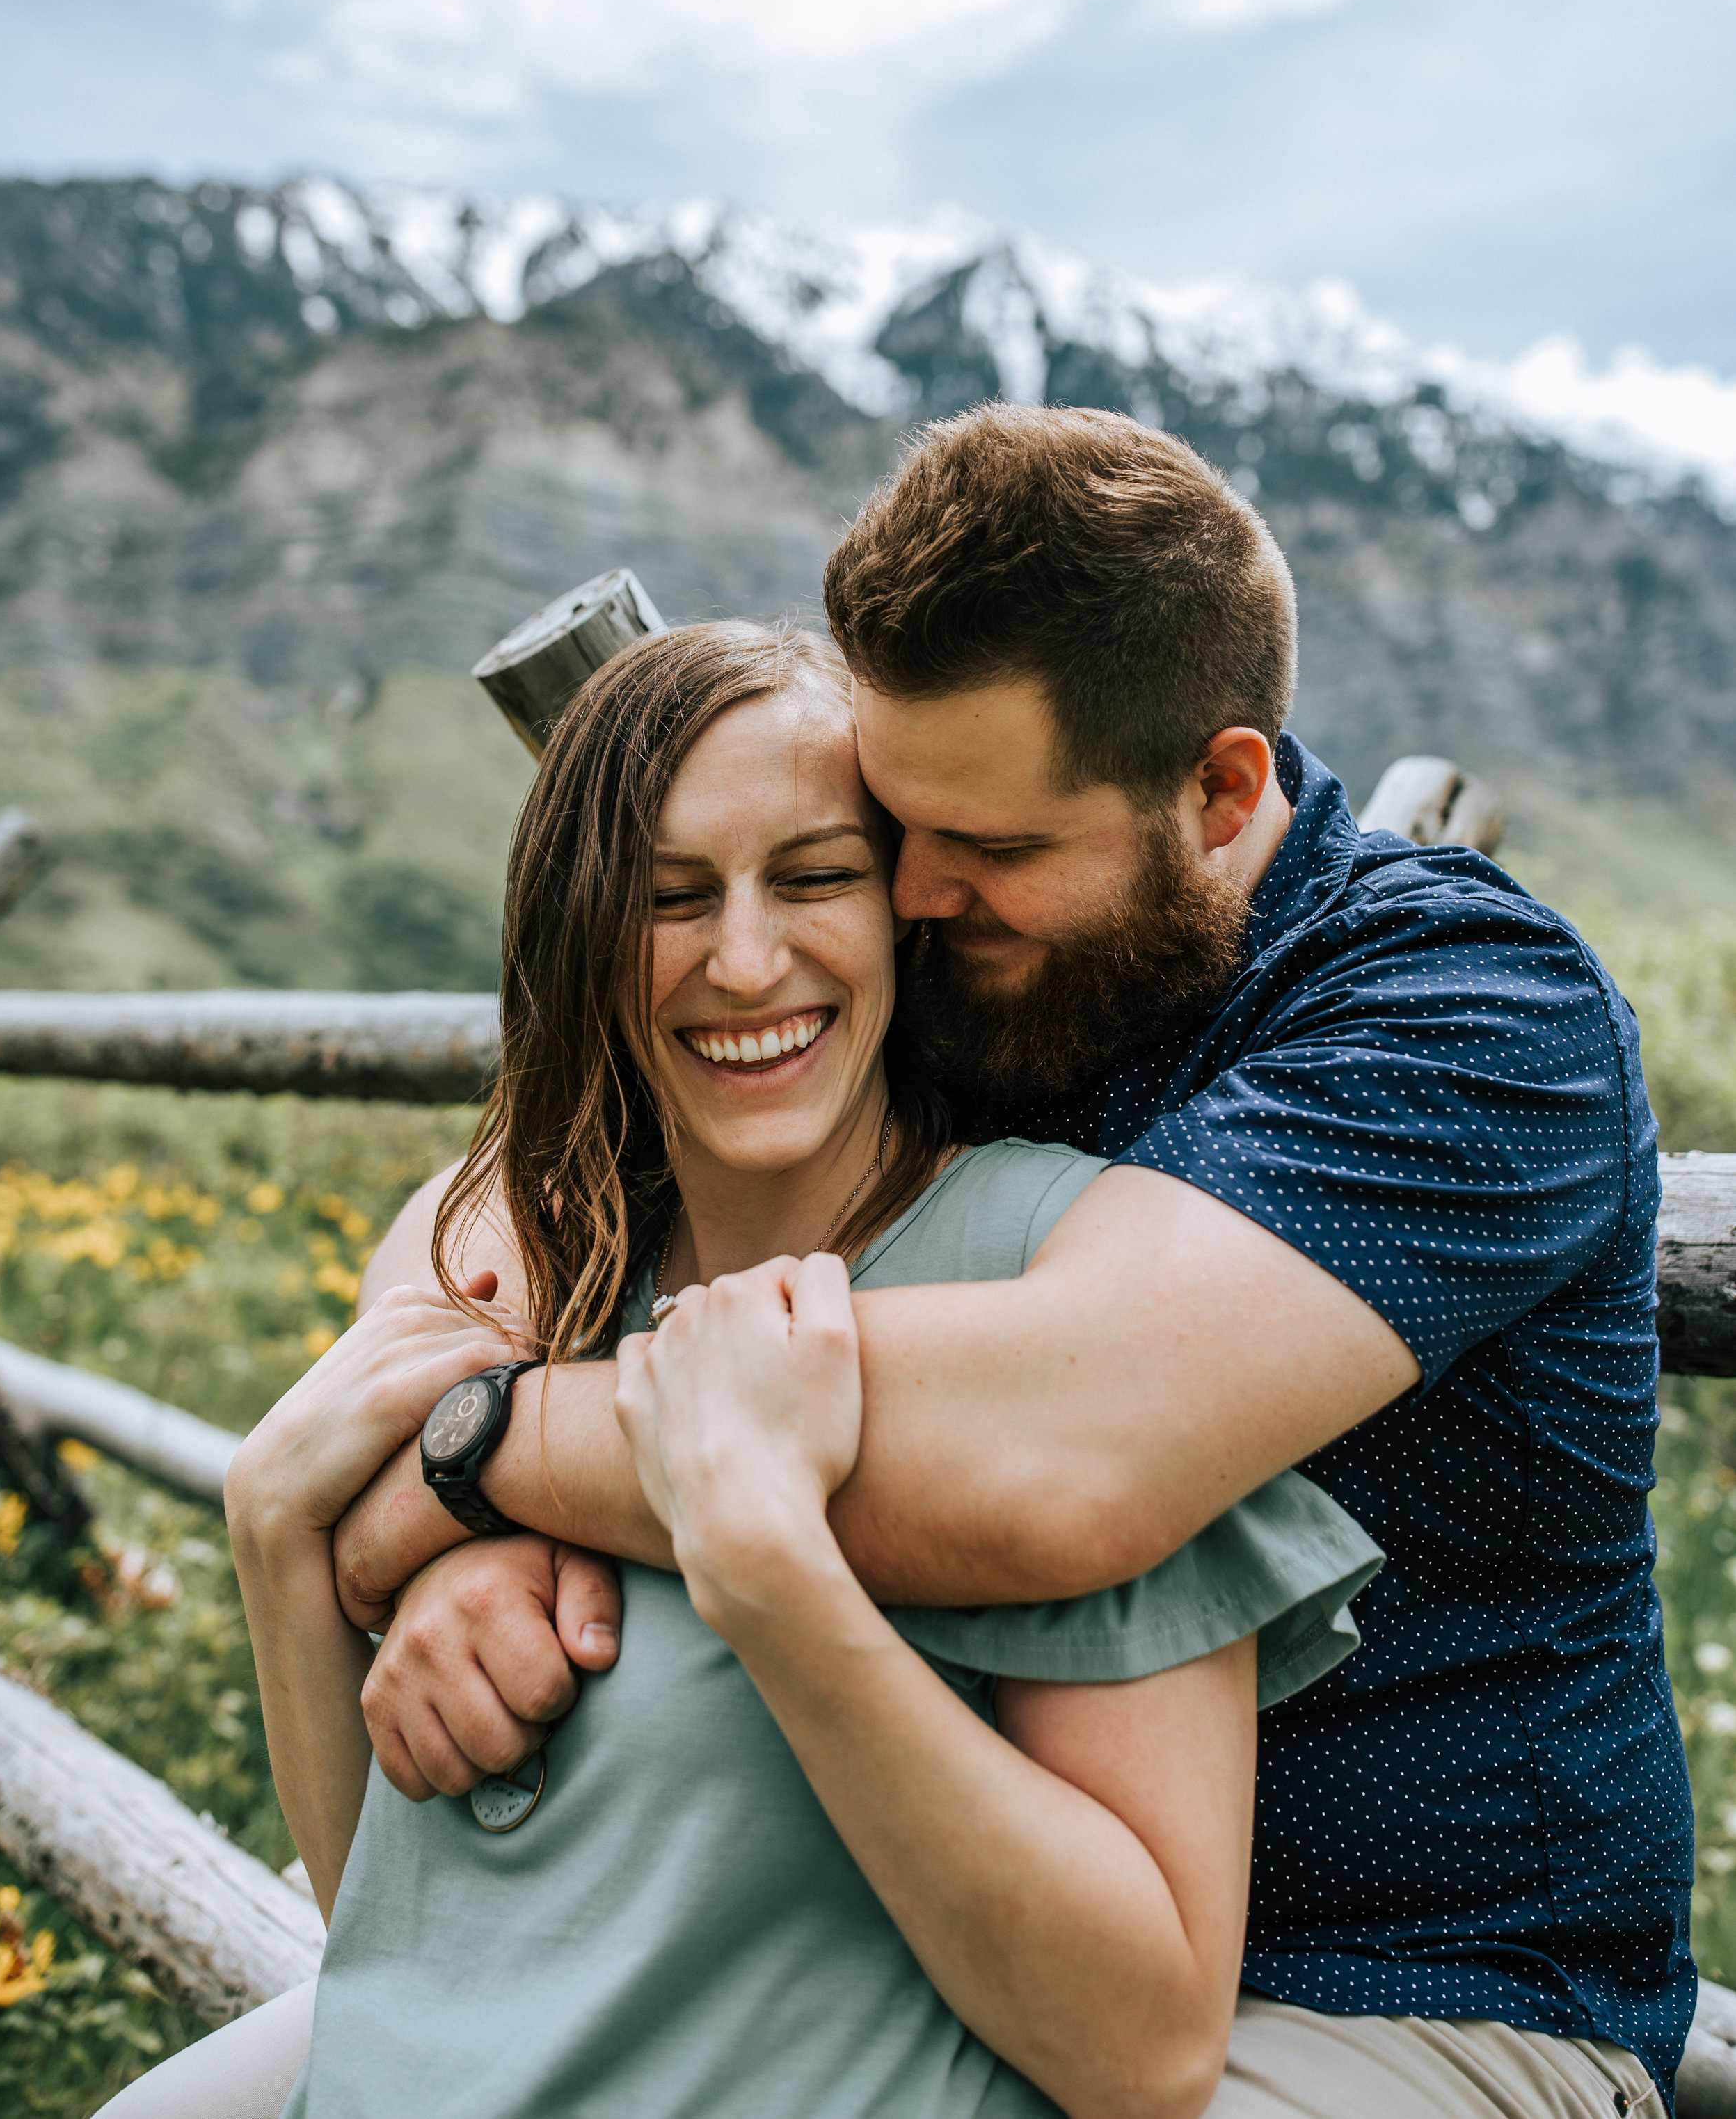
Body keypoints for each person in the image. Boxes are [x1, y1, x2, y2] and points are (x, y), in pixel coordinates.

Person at [330, 404, 1692, 2119]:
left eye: (989, 850)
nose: (909, 892)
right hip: (907, 1942)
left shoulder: (1472, 1021)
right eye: (893, 826)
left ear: (1218, 792)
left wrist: (468, 1460)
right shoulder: (985, 955)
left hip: (1399, 1996)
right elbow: (527, 1184)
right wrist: (458, 1442)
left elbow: (1052, 1460)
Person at [113, 616, 1379, 2119]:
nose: (745, 960)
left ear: (909, 905)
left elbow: (1143, 2049)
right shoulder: (524, 1293)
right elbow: (398, 1948)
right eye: (665, 898)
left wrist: (765, 1563)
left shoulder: (1047, 1290)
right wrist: (279, 1546)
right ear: (578, 934)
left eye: (813, 876)